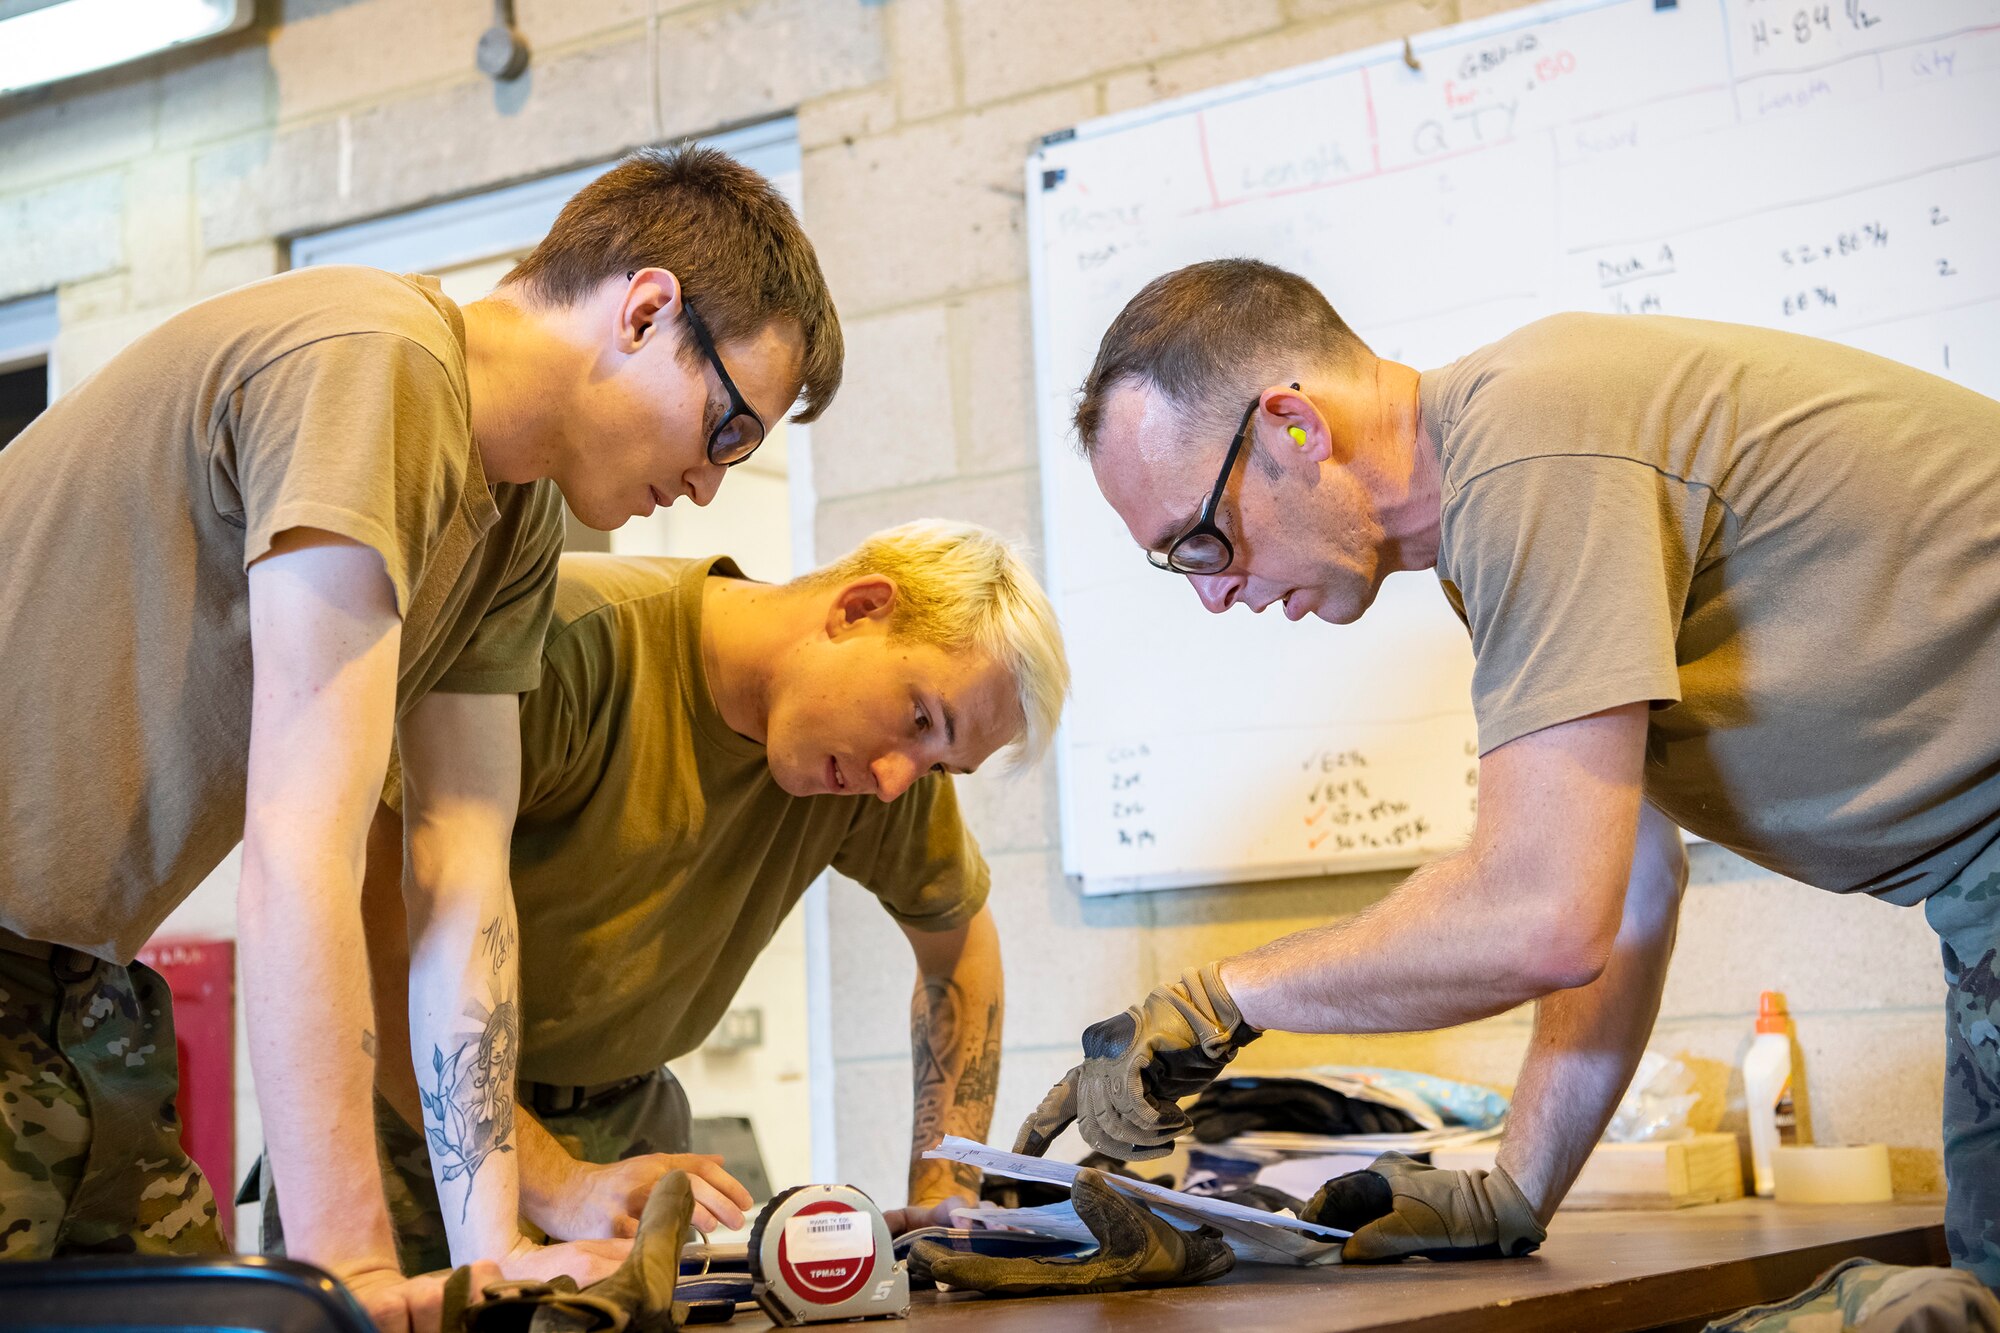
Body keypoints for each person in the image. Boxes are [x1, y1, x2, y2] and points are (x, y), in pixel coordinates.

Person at [1020, 257, 2000, 1282]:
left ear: (1291, 430)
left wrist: (1221, 997)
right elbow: (1620, 888)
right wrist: (1513, 1189)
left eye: (1199, 543)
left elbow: (1538, 916)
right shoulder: (1501, 509)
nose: (1210, 596)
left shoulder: (1535, 448)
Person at [0, 144, 841, 1329]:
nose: (709, 486)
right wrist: (359, 1267)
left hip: (73, 991)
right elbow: (303, 851)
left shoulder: (517, 521)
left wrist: (487, 1247)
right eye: (731, 428)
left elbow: (460, 878)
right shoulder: (377, 364)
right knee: (310, 1313)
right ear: (647, 312)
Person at [256, 521, 1068, 1271]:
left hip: (631, 1123)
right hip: (418, 1128)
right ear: (858, 609)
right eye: (921, 715)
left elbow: (962, 949)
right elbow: (368, 944)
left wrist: (941, 1195)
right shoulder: (568, 644)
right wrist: (555, 1183)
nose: (899, 781)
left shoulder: (880, 773)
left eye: (941, 762)